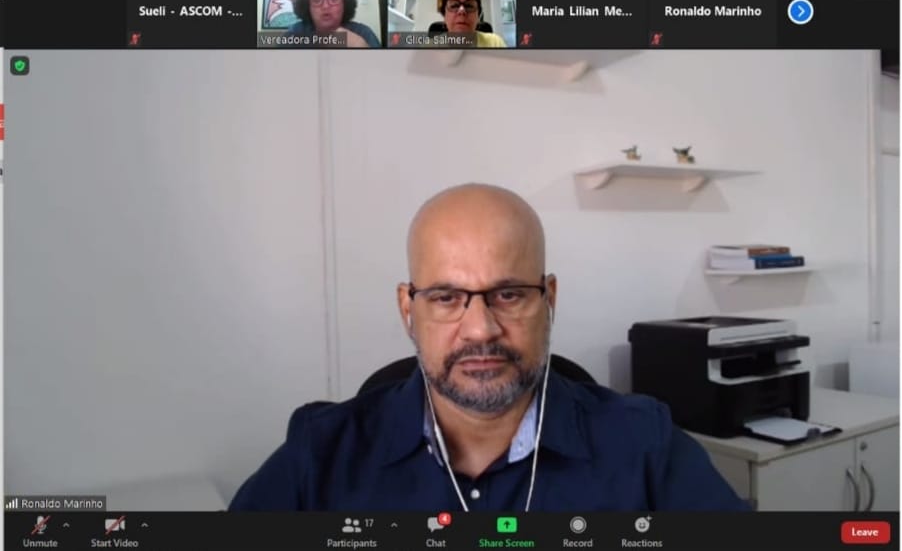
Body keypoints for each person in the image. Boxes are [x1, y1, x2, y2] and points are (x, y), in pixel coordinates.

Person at [229, 183, 750, 511]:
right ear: (408, 308)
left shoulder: (645, 444)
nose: (479, 330)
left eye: (508, 294)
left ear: (548, 299)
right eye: (446, 297)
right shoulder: (320, 454)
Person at [282, 0, 380, 48]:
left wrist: (361, 46)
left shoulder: (363, 33)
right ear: (307, 6)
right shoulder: (295, 33)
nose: (325, 6)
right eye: (317, 0)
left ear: (345, 3)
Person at [440, 0, 507, 48]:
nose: (461, 11)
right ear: (444, 15)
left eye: (469, 6)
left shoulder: (495, 43)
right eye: (454, 5)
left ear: (478, 15)